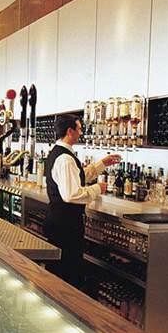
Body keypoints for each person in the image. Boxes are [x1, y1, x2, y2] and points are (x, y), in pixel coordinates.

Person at [43, 114, 121, 288]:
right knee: (67, 272)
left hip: (59, 222)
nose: (81, 133)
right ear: (70, 131)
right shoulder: (65, 159)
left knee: (60, 269)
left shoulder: (59, 153)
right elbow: (71, 194)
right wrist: (97, 189)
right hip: (65, 226)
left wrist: (102, 164)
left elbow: (77, 176)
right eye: (79, 129)